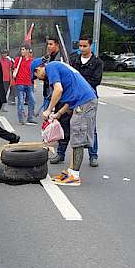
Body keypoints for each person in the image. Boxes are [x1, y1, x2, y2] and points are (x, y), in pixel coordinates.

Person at [33, 58, 98, 186]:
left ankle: (74, 176)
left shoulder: (51, 67)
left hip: (84, 103)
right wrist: (58, 114)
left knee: (77, 137)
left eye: (36, 76)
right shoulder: (57, 66)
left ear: (38, 69)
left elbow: (58, 90)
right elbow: (70, 99)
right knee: (75, 136)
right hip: (83, 101)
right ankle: (71, 171)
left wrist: (48, 110)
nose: (39, 79)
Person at [69, 35, 103, 167]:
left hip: (89, 97)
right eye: (80, 46)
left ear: (90, 46)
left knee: (90, 126)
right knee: (71, 125)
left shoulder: (97, 62)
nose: (82, 48)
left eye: (85, 46)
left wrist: (81, 83)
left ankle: (93, 155)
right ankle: (61, 153)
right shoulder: (74, 60)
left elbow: (96, 80)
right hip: (75, 98)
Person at [12, 47, 36, 125]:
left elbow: (34, 72)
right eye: (21, 50)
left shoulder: (32, 61)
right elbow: (15, 68)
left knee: (32, 101)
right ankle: (21, 119)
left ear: (28, 51)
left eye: (24, 49)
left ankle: (30, 118)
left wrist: (34, 83)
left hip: (29, 83)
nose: (22, 51)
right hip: (20, 83)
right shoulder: (18, 59)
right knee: (21, 101)